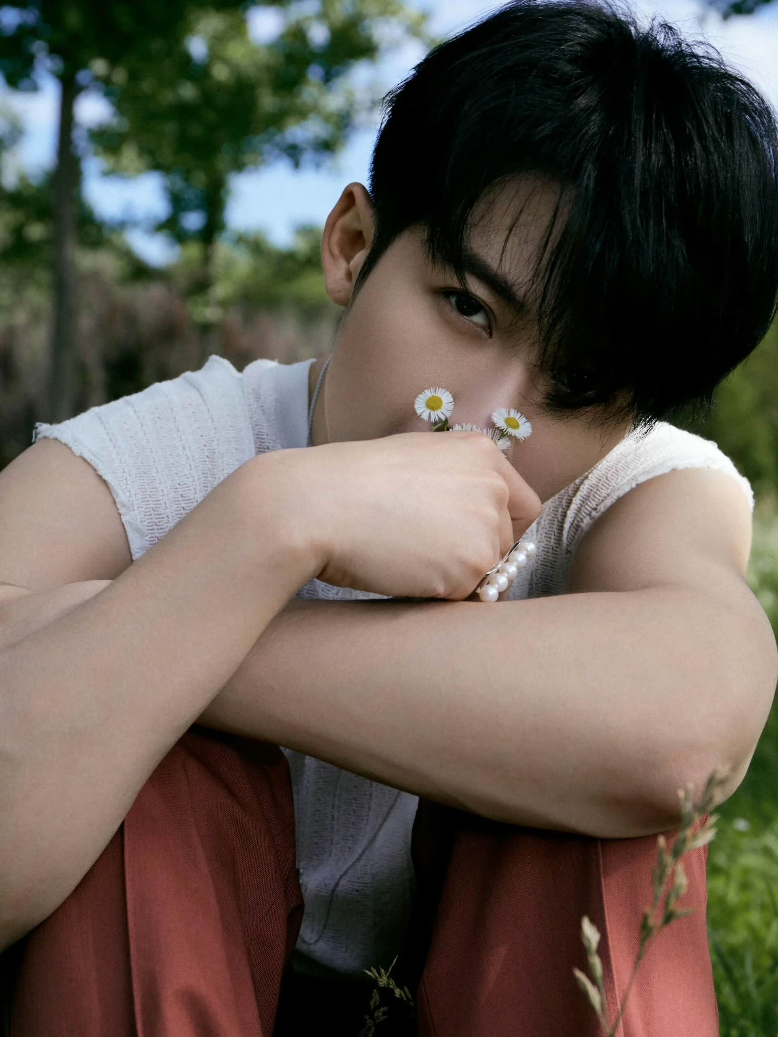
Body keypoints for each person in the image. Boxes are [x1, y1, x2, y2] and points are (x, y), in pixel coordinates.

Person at [1, 0, 778, 1033]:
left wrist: (171, 636)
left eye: (581, 385)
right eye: (466, 307)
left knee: (601, 811)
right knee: (152, 780)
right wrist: (272, 517)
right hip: (157, 979)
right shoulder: (169, 451)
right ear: (352, 244)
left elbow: (690, 726)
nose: (480, 417)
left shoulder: (626, 487)